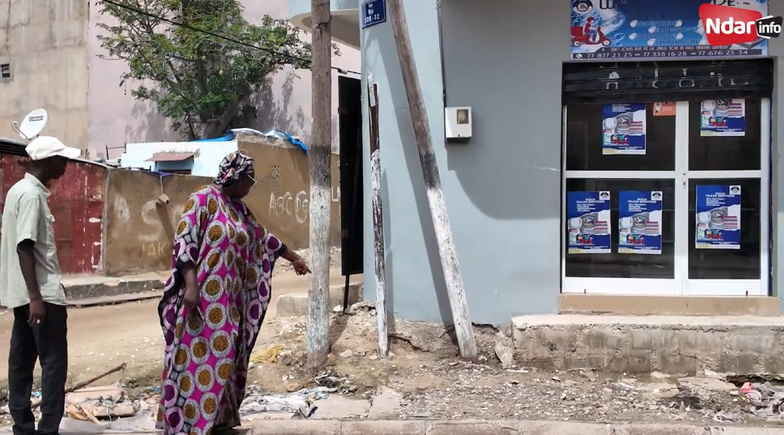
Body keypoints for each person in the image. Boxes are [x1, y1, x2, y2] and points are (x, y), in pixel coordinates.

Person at [156, 150, 311, 434]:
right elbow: (184, 242)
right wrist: (191, 286)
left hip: (229, 302)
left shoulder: (239, 209)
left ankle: (216, 421)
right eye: (250, 180)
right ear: (236, 178)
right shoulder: (202, 200)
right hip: (202, 300)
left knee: (225, 357)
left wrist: (294, 257)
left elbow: (262, 237)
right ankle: (190, 423)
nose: (252, 185)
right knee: (198, 359)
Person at [1, 136, 81, 435]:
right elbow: (25, 246)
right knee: (53, 366)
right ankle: (47, 429)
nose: (65, 164)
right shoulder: (32, 196)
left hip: (23, 295)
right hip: (42, 296)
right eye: (61, 159)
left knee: (21, 364)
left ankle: (23, 428)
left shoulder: (17, 191)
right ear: (46, 161)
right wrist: (36, 297)